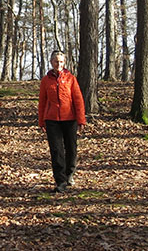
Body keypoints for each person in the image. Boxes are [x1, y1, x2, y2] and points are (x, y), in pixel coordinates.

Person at [38, 50, 86, 193]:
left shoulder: (71, 79)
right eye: (56, 61)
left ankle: (70, 173)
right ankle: (60, 181)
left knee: (71, 148)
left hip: (70, 119)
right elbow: (42, 102)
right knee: (56, 151)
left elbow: (78, 100)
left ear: (64, 63)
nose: (58, 64)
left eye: (61, 61)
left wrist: (81, 120)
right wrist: (41, 121)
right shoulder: (46, 80)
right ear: (51, 62)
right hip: (52, 120)